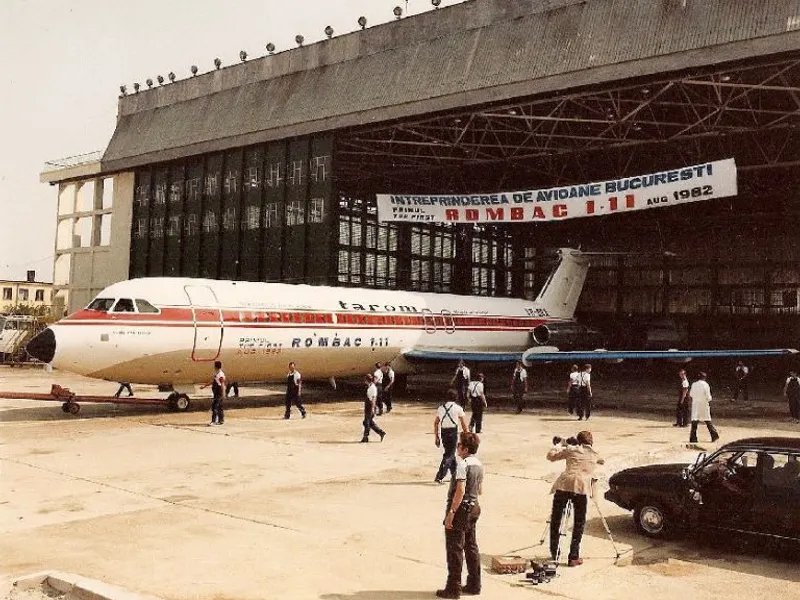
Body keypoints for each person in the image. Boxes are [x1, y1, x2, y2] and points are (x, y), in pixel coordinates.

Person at [437, 432, 484, 599]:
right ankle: (474, 583)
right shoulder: (478, 464)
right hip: (474, 507)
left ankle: (453, 587)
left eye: (459, 445)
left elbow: (460, 490)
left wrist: (451, 513)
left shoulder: (463, 465)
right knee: (471, 546)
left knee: (455, 548)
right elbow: (480, 489)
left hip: (461, 509)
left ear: (465, 448)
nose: (457, 448)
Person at [546, 431, 604, 567]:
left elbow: (550, 456)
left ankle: (555, 553)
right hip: (581, 489)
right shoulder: (595, 453)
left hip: (564, 486)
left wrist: (561, 444)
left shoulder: (571, 450)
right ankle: (573, 557)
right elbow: (601, 460)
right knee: (579, 523)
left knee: (556, 519)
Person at [434, 389, 468, 484]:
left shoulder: (441, 408)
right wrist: (467, 434)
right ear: (456, 397)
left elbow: (436, 423)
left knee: (450, 453)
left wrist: (436, 437)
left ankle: (455, 475)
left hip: (444, 432)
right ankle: (440, 476)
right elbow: (463, 423)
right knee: (449, 455)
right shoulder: (458, 408)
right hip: (453, 432)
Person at [689, 372, 719, 443]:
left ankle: (693, 438)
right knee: (707, 420)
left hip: (696, 404)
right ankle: (714, 435)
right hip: (704, 404)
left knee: (694, 421)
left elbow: (691, 394)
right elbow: (708, 397)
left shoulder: (694, 384)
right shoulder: (705, 385)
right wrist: (709, 399)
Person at [361, 374, 386, 443]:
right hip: (368, 405)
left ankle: (365, 437)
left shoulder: (372, 388)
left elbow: (373, 399)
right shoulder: (370, 386)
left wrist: (372, 408)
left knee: (367, 422)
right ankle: (381, 432)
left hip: (370, 405)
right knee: (368, 422)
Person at [200, 360, 225, 426]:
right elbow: (213, 381)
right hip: (216, 391)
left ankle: (213, 421)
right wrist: (205, 386)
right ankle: (221, 420)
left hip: (218, 392)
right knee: (219, 407)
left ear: (216, 367)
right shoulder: (217, 374)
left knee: (215, 406)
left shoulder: (220, 375)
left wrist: (223, 394)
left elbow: (222, 384)